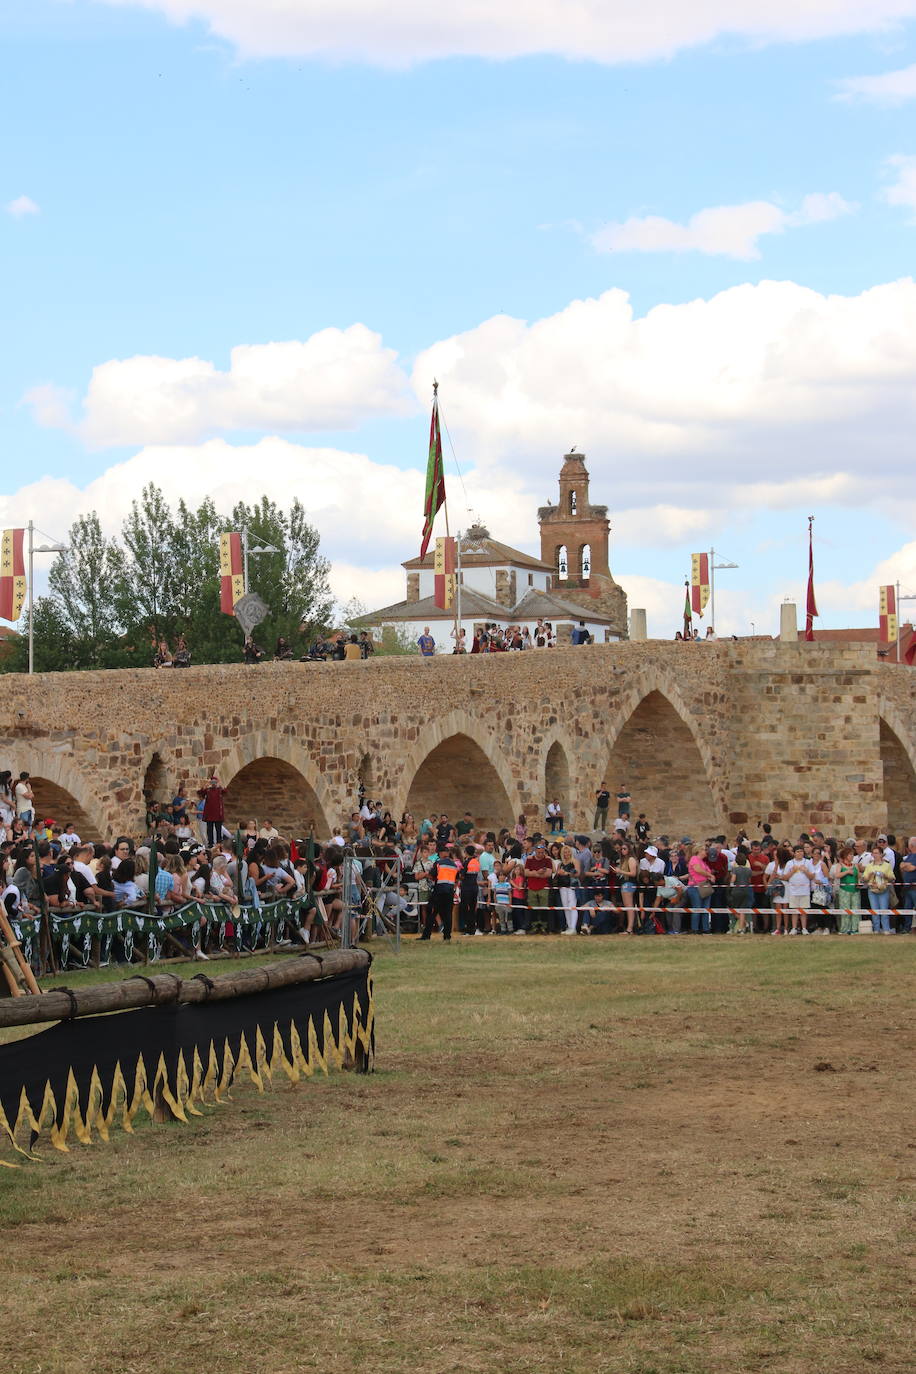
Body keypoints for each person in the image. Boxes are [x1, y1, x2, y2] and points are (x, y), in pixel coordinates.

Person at [421, 846, 458, 941]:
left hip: (439, 891)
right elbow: (457, 878)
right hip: (449, 891)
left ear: (441, 853)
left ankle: (426, 935)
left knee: (431, 912)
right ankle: (447, 936)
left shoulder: (438, 863)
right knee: (448, 914)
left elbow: (432, 875)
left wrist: (425, 874)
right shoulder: (454, 865)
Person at [862, 849, 895, 933]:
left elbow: (892, 878)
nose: (875, 855)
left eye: (877, 853)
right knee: (874, 910)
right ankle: (876, 929)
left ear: (881, 854)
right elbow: (864, 879)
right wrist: (869, 875)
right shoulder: (869, 866)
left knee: (884, 910)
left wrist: (885, 875)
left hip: (883, 891)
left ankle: (886, 929)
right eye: (873, 853)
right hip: (872, 891)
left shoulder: (887, 865)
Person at [199, 775, 226, 848]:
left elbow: (225, 791)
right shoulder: (208, 790)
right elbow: (201, 792)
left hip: (217, 813)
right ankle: (210, 843)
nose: (213, 783)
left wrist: (220, 784)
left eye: (215, 782)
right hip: (209, 813)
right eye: (212, 782)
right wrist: (206, 785)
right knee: (209, 829)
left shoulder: (219, 790)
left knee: (218, 829)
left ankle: (219, 842)